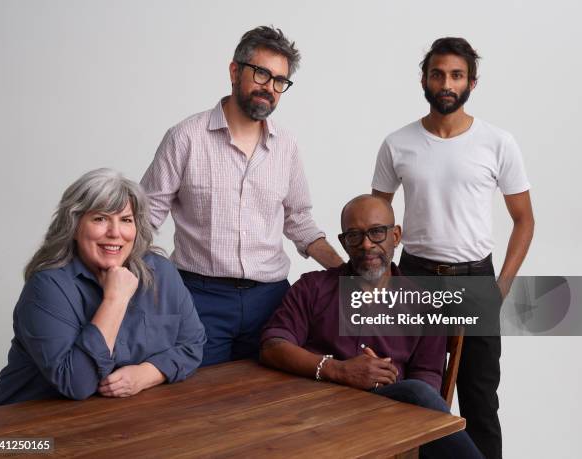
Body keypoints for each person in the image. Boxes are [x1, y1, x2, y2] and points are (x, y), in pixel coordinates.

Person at [141, 26, 343, 367]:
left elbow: (299, 220)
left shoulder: (287, 146)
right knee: (199, 402)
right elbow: (145, 217)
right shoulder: (186, 138)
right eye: (262, 73)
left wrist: (345, 271)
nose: (270, 88)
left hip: (272, 299)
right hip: (198, 297)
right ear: (235, 71)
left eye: (280, 81)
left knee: (269, 404)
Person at [372, 37, 535, 459]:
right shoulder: (397, 143)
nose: (447, 83)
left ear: (472, 83)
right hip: (414, 278)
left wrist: (499, 288)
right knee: (413, 394)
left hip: (475, 279)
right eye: (438, 74)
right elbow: (376, 218)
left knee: (480, 398)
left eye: (456, 75)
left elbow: (525, 220)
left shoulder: (498, 142)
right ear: (424, 80)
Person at [260, 194, 482, 459]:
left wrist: (378, 381)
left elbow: (428, 383)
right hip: (312, 413)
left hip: (385, 416)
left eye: (377, 232)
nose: (366, 244)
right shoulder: (312, 287)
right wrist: (339, 370)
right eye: (354, 236)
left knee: (418, 392)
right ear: (344, 243)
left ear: (396, 236)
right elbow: (273, 346)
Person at [0, 169, 206, 408]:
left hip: (109, 423)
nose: (115, 233)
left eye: (125, 220)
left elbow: (192, 345)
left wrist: (146, 374)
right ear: (74, 225)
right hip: (20, 429)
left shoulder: (160, 272)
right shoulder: (47, 287)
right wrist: (115, 300)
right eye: (100, 219)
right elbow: (76, 383)